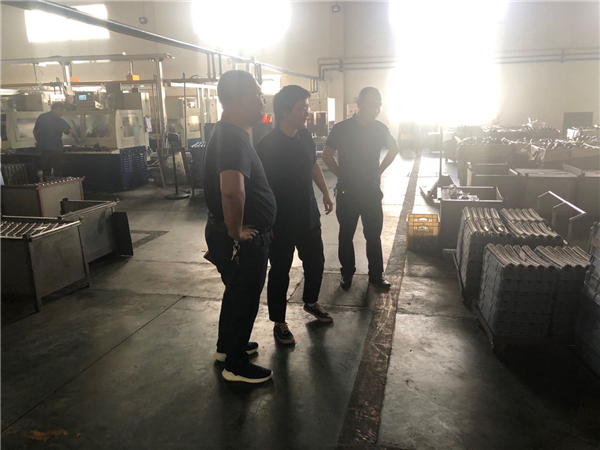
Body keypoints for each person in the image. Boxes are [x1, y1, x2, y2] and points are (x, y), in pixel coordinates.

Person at [203, 70, 277, 384]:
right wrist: (236, 232)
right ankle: (235, 365)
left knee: (236, 295)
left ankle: (227, 347)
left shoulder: (230, 133)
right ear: (238, 99)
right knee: (244, 298)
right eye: (258, 94)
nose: (263, 100)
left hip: (228, 233)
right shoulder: (232, 138)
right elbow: (232, 191)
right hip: (239, 239)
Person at [256, 85, 334, 345]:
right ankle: (279, 321)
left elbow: (313, 165)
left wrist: (325, 192)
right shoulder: (267, 146)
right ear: (285, 112)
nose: (307, 113)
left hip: (307, 214)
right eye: (302, 108)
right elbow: (259, 186)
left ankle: (311, 301)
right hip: (280, 220)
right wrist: (266, 221)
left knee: (316, 261)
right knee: (280, 270)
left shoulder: (305, 137)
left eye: (307, 108)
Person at [322, 87, 399, 291]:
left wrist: (379, 171)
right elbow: (326, 155)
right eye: (372, 105)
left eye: (379, 106)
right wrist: (341, 174)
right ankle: (347, 273)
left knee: (373, 235)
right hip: (347, 192)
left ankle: (376, 275)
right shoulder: (341, 129)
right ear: (360, 104)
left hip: (371, 191)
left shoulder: (380, 129)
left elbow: (394, 149)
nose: (376, 109)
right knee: (346, 234)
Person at [33, 102, 78, 179]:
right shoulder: (58, 119)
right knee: (58, 171)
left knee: (46, 171)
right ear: (58, 109)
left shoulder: (41, 117)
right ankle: (58, 184)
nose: (63, 112)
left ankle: (46, 184)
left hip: (43, 149)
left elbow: (34, 131)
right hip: (55, 149)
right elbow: (71, 131)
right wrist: (78, 141)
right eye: (63, 110)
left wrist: (38, 141)